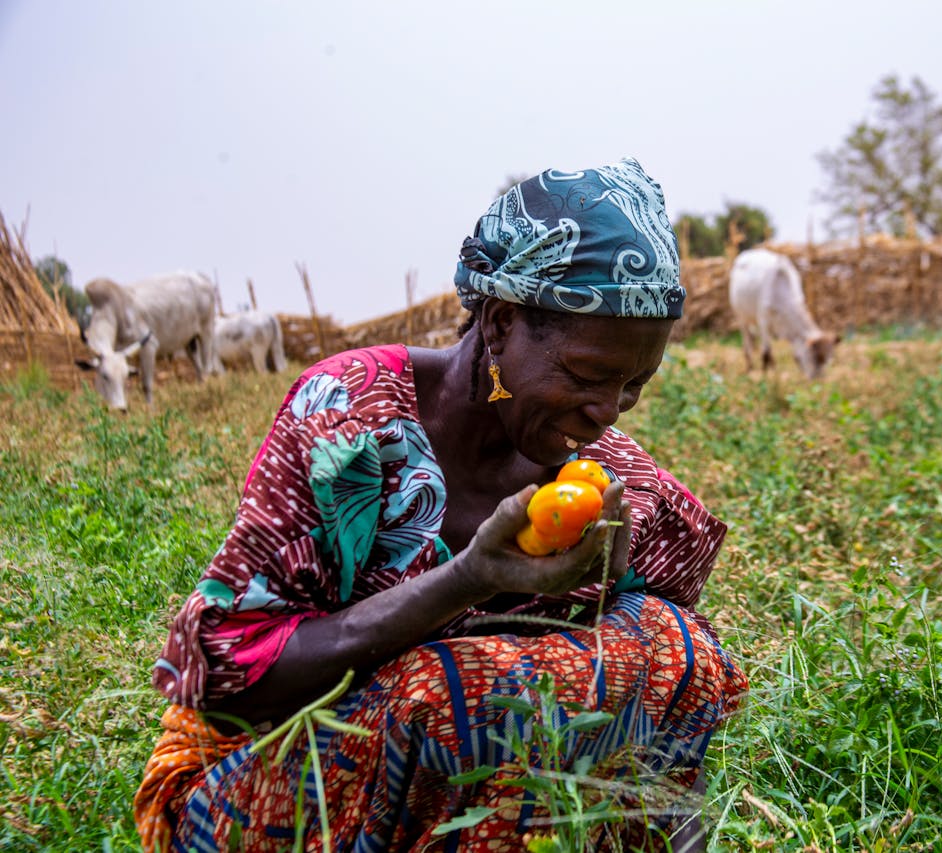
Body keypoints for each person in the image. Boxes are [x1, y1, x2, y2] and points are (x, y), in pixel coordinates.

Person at [134, 157, 748, 851]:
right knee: (461, 694)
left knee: (676, 645)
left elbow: (679, 690)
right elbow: (225, 683)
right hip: (252, 775)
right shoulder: (353, 420)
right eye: (587, 374)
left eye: (634, 384)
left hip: (461, 779)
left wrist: (612, 588)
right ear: (501, 322)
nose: (607, 410)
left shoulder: (608, 479)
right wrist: (467, 579)